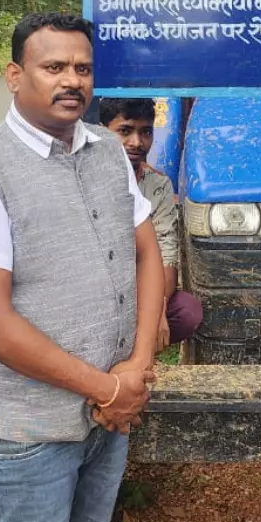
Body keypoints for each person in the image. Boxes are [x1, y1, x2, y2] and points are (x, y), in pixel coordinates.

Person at [0, 12, 166, 522]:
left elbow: (147, 253)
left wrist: (137, 365)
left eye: (82, 69)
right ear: (14, 76)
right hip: (30, 428)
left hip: (108, 416)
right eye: (53, 67)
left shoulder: (107, 150)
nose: (71, 81)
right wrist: (108, 389)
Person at [97, 97, 203, 350]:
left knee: (187, 311)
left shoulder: (158, 185)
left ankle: (138, 344)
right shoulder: (84, 177)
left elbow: (167, 255)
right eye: (125, 131)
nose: (136, 142)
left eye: (145, 132)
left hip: (141, 286)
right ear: (102, 131)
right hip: (96, 289)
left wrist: (155, 310)